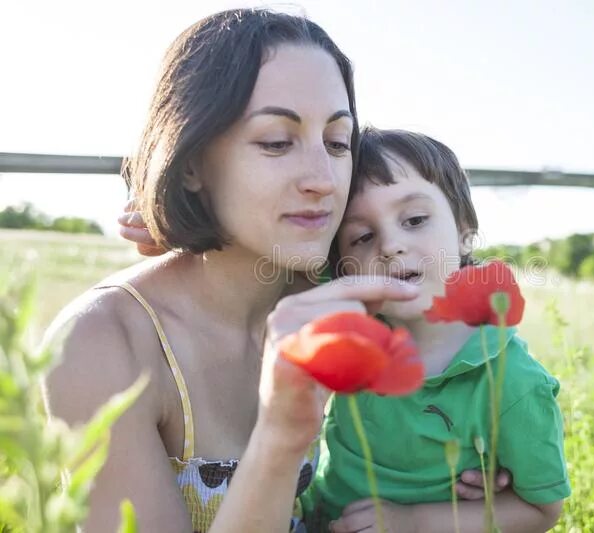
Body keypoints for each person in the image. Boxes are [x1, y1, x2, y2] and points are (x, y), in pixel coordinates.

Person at [45, 8, 501, 532]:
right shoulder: (101, 343)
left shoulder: (332, 291)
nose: (323, 179)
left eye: (337, 143)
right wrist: (281, 438)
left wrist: (469, 472)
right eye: (277, 142)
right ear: (190, 160)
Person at [307, 127, 570, 533]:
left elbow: (542, 509)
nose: (390, 244)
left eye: (414, 219)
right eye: (361, 236)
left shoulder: (512, 382)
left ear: (464, 229)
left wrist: (410, 522)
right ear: (340, 263)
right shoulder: (346, 332)